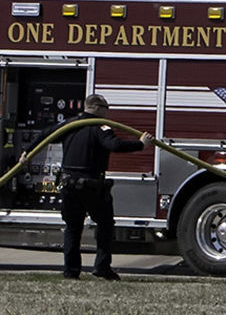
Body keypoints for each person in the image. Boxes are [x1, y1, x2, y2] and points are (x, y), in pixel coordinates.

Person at [26, 94, 153, 280]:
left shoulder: (70, 125)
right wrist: (141, 144)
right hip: (91, 185)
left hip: (69, 184)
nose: (107, 113)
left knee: (73, 227)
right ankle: (102, 267)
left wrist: (27, 152)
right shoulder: (100, 127)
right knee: (105, 225)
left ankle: (71, 271)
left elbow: (45, 135)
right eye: (106, 108)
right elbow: (114, 145)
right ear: (97, 107)